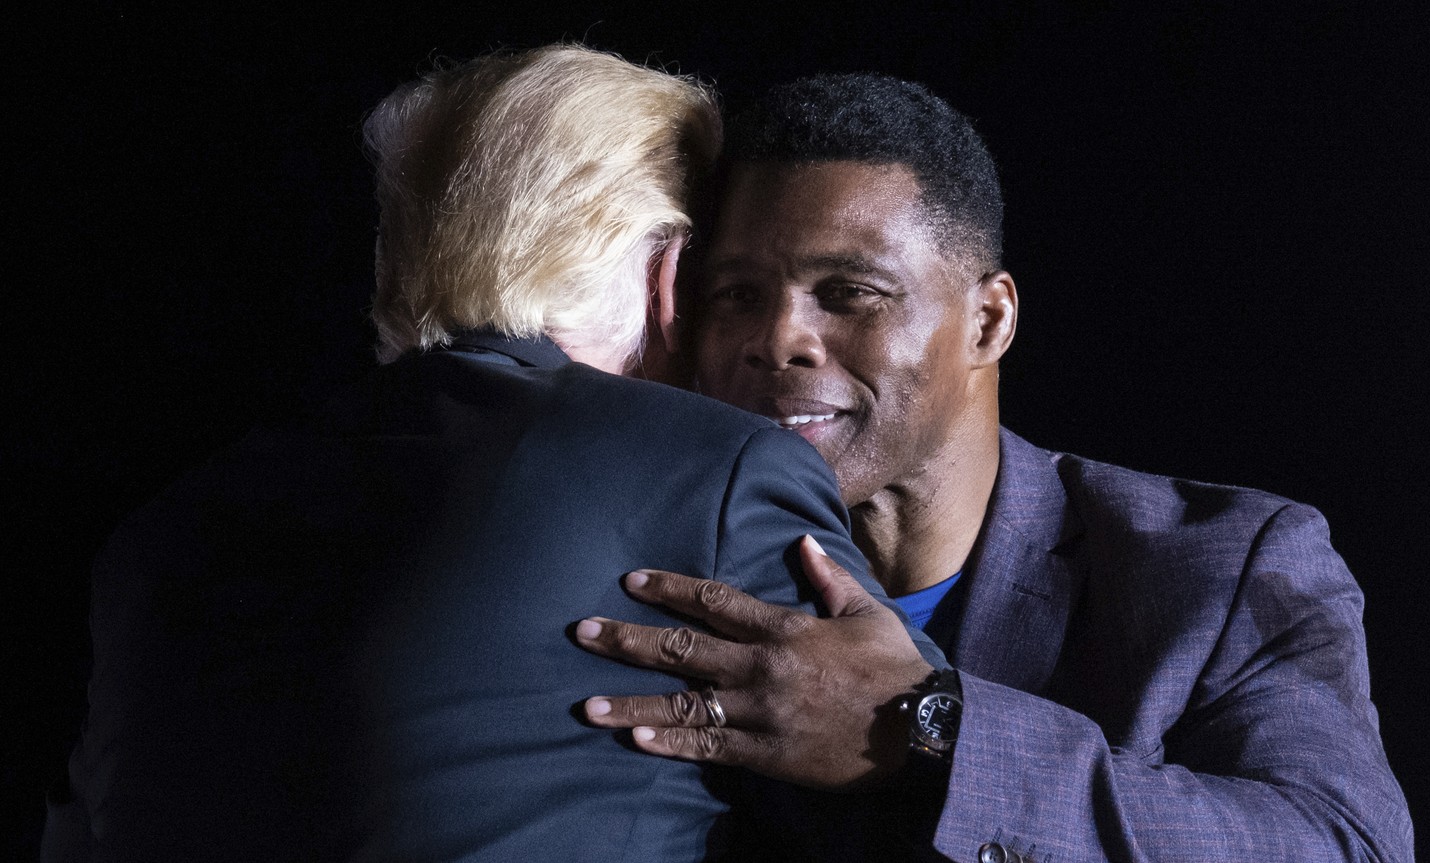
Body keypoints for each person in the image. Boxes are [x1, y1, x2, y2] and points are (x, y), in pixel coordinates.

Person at [42, 50, 942, 862]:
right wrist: (931, 725)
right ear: (671, 278)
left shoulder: (169, 524)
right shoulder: (717, 471)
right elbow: (917, 810)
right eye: (728, 288)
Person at [576, 74, 1415, 862]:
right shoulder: (646, 565)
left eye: (848, 291)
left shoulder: (1223, 565)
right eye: (737, 294)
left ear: (987, 321)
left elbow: (1343, 843)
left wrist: (927, 731)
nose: (779, 338)